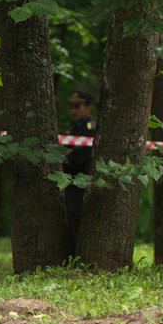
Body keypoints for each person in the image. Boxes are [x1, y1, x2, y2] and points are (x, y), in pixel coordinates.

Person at [63, 90, 96, 250]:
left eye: (78, 106)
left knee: (76, 217)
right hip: (70, 179)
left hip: (81, 180)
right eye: (72, 106)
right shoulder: (76, 127)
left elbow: (81, 154)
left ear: (88, 108)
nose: (74, 110)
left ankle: (77, 252)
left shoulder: (89, 128)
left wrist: (68, 158)